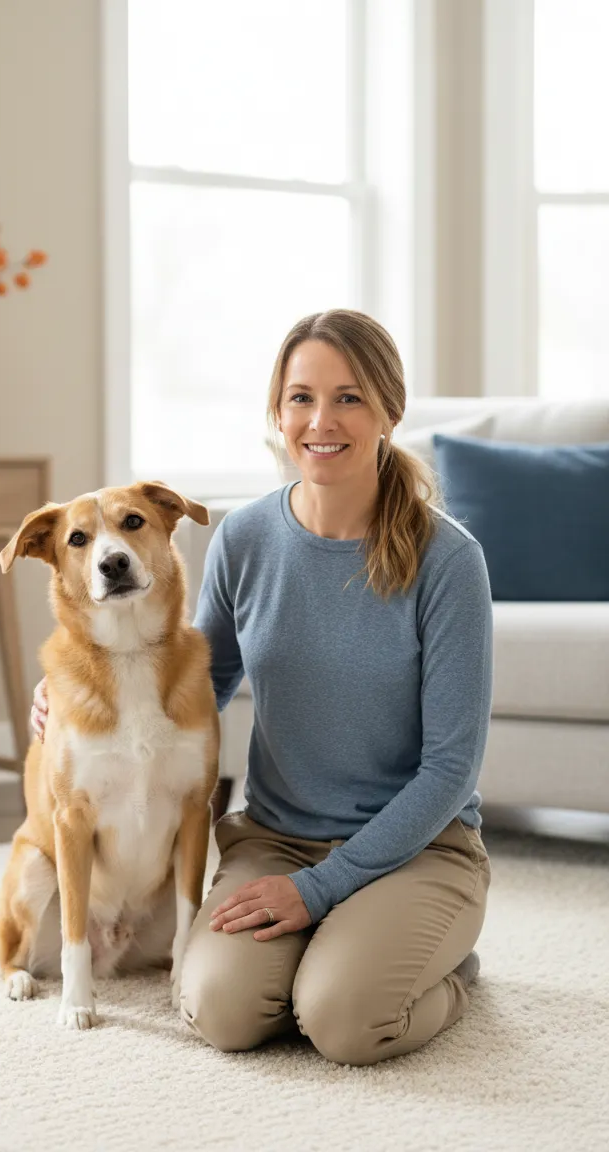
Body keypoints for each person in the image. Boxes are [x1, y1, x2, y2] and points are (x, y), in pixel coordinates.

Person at [30, 308, 493, 1067]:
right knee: (220, 1010)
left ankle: (443, 970)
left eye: (349, 397)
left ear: (389, 410)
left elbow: (451, 770)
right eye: (301, 397)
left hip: (419, 848)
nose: (321, 420)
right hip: (277, 841)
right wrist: (72, 707)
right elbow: (196, 686)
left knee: (344, 1024)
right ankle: (339, 960)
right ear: (277, 413)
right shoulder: (244, 538)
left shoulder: (450, 560)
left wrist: (321, 892)